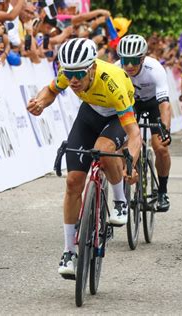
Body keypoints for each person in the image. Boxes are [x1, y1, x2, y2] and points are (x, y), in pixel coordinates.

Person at [26, 38, 141, 278]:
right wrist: (40, 103)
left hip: (117, 116)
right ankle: (69, 251)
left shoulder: (114, 82)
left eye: (79, 73)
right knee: (72, 182)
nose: (74, 80)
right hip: (90, 114)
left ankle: (120, 202)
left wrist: (131, 162)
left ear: (92, 68)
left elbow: (133, 133)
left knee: (103, 149)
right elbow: (50, 90)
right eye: (70, 74)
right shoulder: (69, 73)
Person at [115, 34, 172, 211]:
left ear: (142, 58)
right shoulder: (117, 69)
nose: (129, 66)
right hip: (131, 105)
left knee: (160, 147)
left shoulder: (155, 69)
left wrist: (165, 130)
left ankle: (162, 191)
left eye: (134, 60)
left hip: (154, 103)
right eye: (125, 60)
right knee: (123, 144)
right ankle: (129, 179)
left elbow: (164, 105)